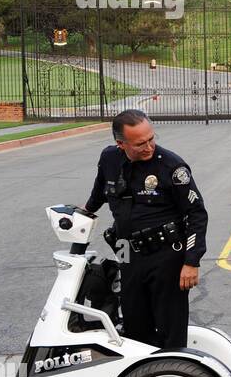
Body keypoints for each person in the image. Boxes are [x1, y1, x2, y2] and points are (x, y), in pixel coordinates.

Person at [84, 109, 208, 348]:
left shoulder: (172, 167)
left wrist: (192, 261)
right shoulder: (110, 159)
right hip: (126, 251)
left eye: (152, 138)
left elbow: (197, 214)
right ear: (121, 143)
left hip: (165, 255)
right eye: (140, 143)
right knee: (134, 325)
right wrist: (83, 213)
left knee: (169, 329)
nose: (149, 147)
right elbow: (99, 192)